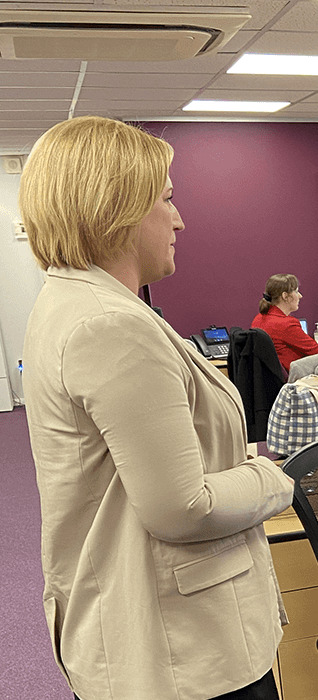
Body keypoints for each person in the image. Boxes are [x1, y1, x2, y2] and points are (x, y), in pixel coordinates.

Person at [19, 116, 296, 700]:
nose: (180, 219)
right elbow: (182, 509)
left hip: (152, 635)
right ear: (115, 209)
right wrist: (273, 479)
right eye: (167, 200)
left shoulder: (76, 302)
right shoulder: (111, 325)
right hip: (181, 650)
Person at [251, 273, 318, 372]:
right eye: (296, 291)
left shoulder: (259, 318)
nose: (300, 296)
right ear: (285, 296)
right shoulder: (286, 324)